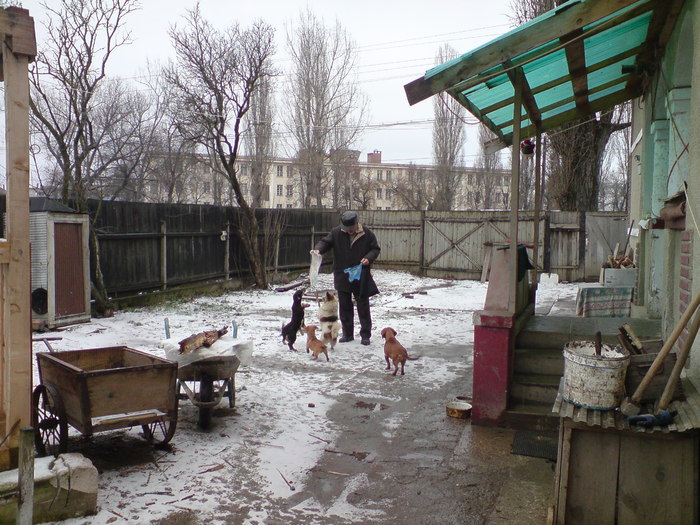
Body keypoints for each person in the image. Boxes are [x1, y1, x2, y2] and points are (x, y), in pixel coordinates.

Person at [311, 211, 380, 345]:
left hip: (360, 274)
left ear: (356, 224)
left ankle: (365, 335)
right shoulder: (337, 232)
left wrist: (369, 258)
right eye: (346, 229)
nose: (348, 231)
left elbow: (375, 249)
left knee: (363, 306)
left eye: (351, 229)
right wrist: (318, 250)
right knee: (345, 306)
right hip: (342, 274)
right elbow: (325, 242)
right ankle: (348, 334)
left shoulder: (367, 234)